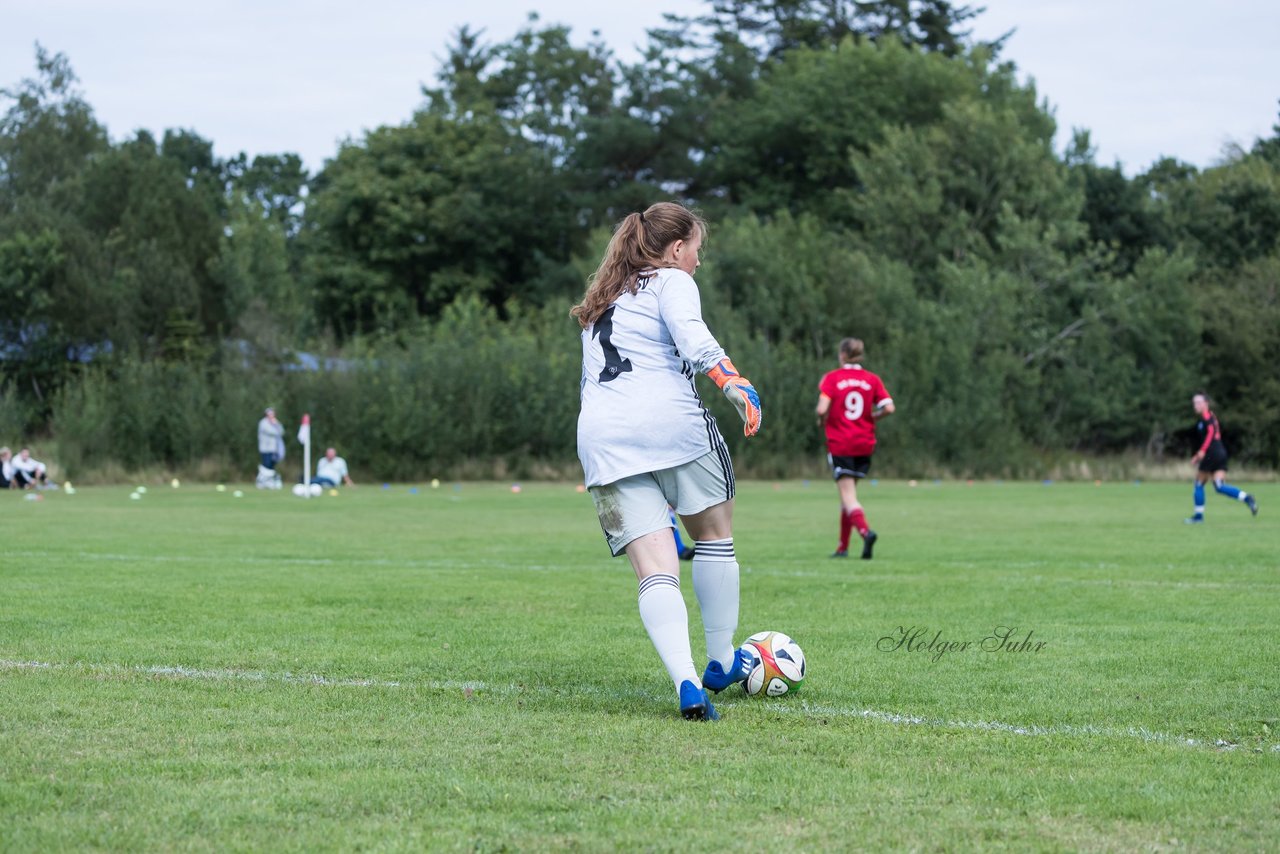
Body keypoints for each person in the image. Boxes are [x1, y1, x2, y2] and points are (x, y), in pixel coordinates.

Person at [572, 201, 762, 722]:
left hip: (603, 440)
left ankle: (685, 681)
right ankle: (721, 662)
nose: (698, 261)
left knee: (656, 571)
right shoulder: (672, 281)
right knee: (715, 537)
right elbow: (692, 335)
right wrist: (732, 381)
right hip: (671, 426)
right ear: (677, 249)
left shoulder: (603, 298)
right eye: (697, 249)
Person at [816, 338, 895, 559]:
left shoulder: (832, 378)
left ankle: (865, 532)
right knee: (848, 496)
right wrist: (874, 417)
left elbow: (822, 408)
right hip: (864, 443)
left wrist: (821, 420)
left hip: (841, 442)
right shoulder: (872, 379)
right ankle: (843, 547)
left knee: (848, 496)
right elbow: (889, 407)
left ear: (842, 355)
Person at [1185, 392, 1258, 523]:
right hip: (1220, 452)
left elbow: (1211, 433)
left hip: (1211, 453)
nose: (1195, 405)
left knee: (1199, 483)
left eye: (1198, 402)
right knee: (1219, 486)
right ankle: (1247, 498)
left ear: (1206, 403)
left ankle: (1198, 517)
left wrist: (1201, 451)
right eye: (1194, 403)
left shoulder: (1207, 417)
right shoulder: (1210, 417)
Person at [256, 407, 285, 490]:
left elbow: (281, 431)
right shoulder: (263, 423)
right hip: (265, 449)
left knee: (271, 466)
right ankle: (261, 481)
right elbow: (275, 432)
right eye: (270, 414)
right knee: (266, 465)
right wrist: (275, 424)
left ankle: (269, 482)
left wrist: (276, 424)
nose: (271, 416)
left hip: (274, 449)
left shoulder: (275, 422)